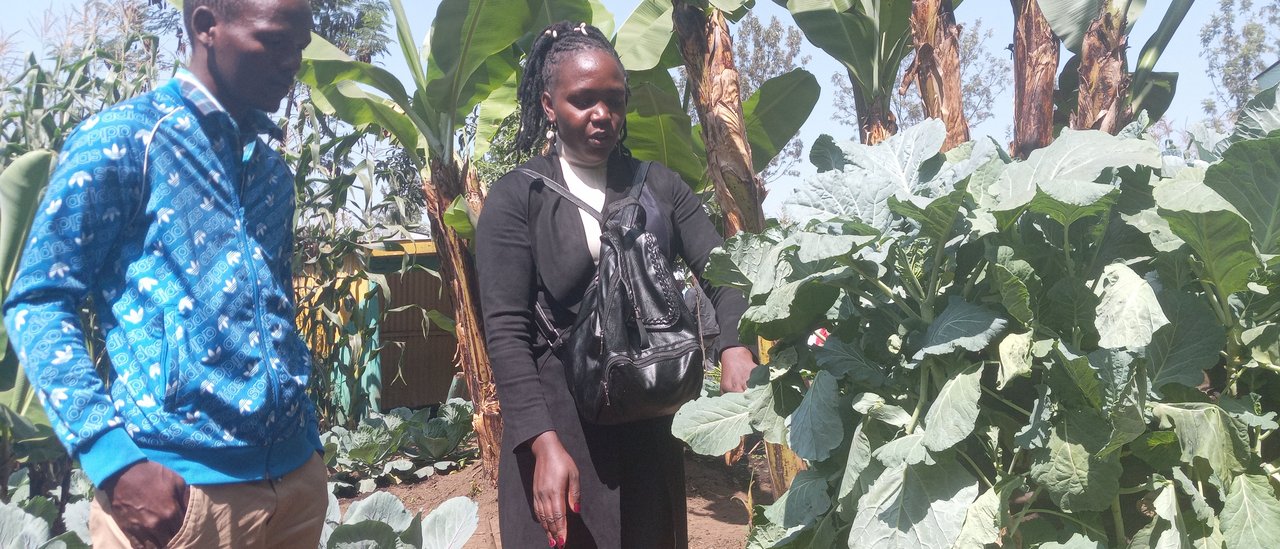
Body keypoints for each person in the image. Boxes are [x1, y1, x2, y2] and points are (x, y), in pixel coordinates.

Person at [2, 0, 325, 546]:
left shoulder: (272, 173)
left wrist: (307, 446)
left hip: (295, 485)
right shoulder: (128, 141)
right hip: (179, 494)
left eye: (299, 46)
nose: (292, 61)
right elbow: (38, 299)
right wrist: (112, 460)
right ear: (206, 27)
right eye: (274, 42)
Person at [476, 20, 757, 549]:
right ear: (548, 104)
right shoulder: (518, 196)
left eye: (614, 100)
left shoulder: (661, 186)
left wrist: (734, 341)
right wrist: (539, 441)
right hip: (559, 426)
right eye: (583, 100)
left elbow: (726, 272)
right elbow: (506, 333)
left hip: (648, 418)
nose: (602, 114)